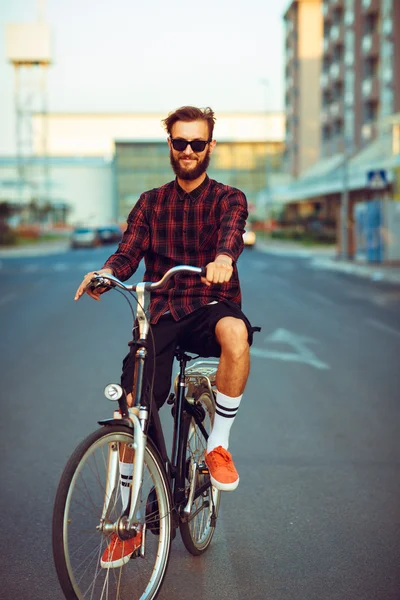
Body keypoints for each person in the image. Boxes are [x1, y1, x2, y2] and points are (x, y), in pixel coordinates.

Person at [75, 106, 259, 568]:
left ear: (210, 146)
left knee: (237, 334)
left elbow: (232, 234)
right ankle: (128, 524)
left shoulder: (228, 198)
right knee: (131, 411)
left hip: (209, 305)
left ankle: (218, 443)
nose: (189, 151)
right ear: (171, 146)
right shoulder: (151, 202)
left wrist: (223, 258)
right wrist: (106, 273)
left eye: (198, 143)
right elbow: (128, 251)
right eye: (181, 143)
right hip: (159, 312)